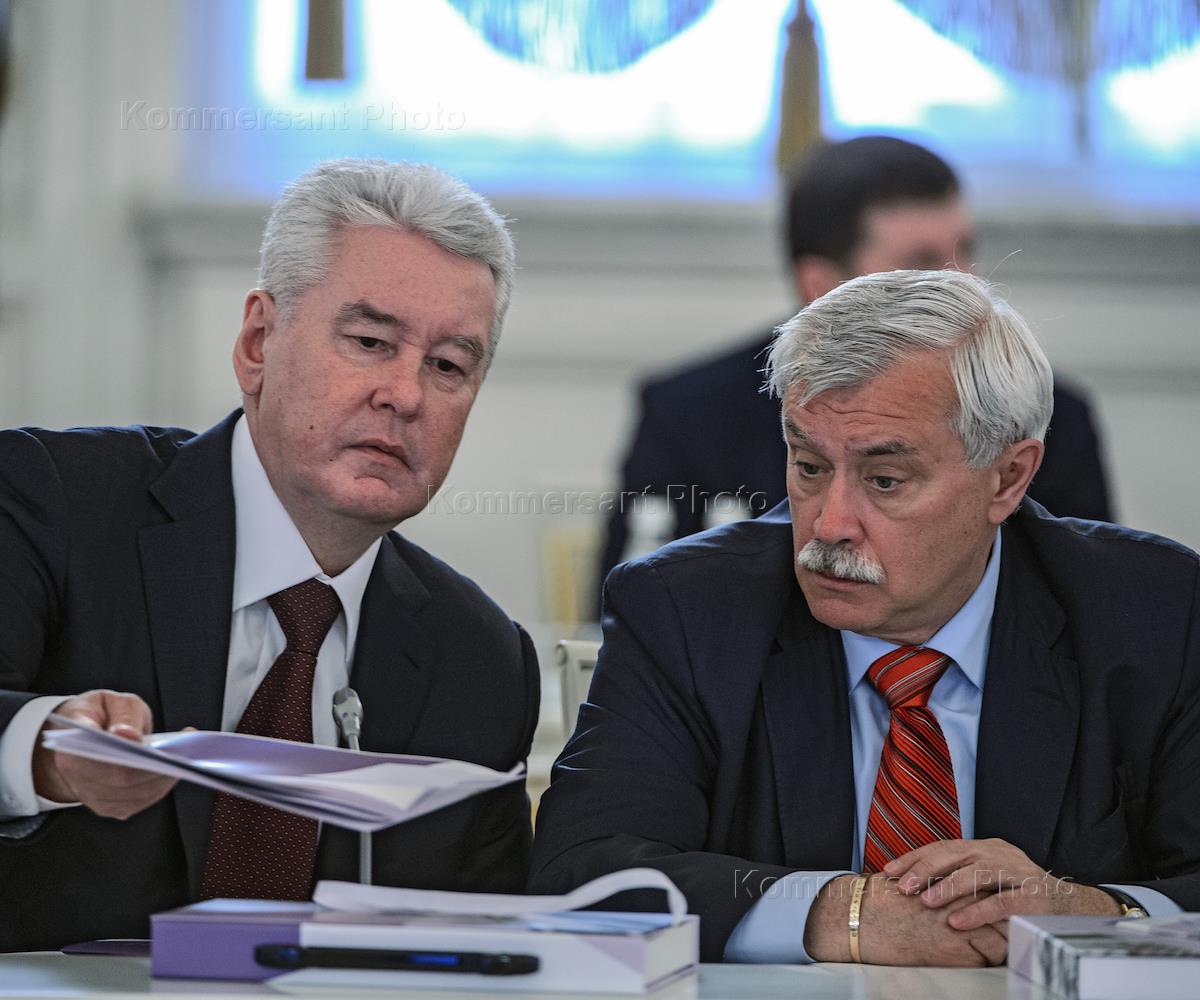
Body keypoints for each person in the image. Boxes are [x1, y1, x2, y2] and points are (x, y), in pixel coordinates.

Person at [532, 269, 1199, 966]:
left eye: (885, 480)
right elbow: (584, 872)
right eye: (809, 467)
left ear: (1008, 477)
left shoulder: (1156, 614)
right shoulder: (686, 609)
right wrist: (842, 913)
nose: (829, 524)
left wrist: (1096, 913)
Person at [0, 159, 540, 952]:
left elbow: (484, 949)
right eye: (370, 341)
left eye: (448, 366)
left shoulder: (483, 660)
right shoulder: (53, 504)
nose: (406, 394)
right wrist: (46, 751)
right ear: (258, 341)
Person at [596, 136, 1113, 608]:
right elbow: (636, 607)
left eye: (966, 254)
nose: (963, 286)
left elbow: (1087, 612)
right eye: (923, 265)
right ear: (821, 285)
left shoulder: (1047, 416)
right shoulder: (690, 414)